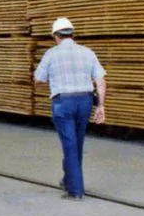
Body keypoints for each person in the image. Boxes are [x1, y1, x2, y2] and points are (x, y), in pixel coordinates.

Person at [33, 17, 106, 201]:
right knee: (76, 142)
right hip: (85, 101)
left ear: (55, 36)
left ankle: (75, 191)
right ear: (72, 34)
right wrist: (100, 105)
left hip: (63, 102)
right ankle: (68, 180)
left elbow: (38, 78)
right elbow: (100, 81)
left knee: (69, 144)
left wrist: (54, 79)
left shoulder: (51, 54)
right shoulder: (88, 52)